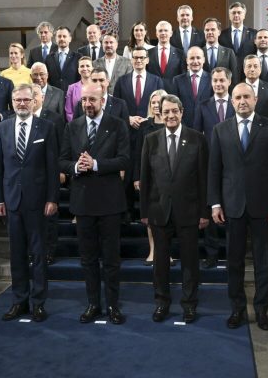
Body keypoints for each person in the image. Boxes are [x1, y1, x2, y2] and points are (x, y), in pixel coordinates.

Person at [208, 83, 268, 330]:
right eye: (237, 97)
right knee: (234, 262)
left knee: (263, 261)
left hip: (264, 207)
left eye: (246, 97)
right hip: (232, 206)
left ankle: (262, 311)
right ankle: (237, 310)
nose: (242, 101)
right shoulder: (220, 130)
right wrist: (215, 203)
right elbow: (214, 170)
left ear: (256, 99)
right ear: (231, 101)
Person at [59, 83, 130, 325]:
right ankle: (93, 304)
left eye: (92, 100)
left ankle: (112, 305)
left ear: (102, 100)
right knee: (88, 259)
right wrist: (77, 167)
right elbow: (62, 160)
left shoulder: (117, 125)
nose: (88, 104)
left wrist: (97, 164)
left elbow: (124, 160)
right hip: (83, 202)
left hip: (110, 202)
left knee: (111, 259)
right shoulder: (72, 126)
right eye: (84, 100)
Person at [0, 83, 59, 322]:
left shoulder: (47, 128)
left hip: (39, 202)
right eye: (18, 100)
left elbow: (52, 167)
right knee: (16, 254)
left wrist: (52, 198)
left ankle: (38, 302)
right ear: (12, 102)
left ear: (34, 101)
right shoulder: (2, 128)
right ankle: (19, 301)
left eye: (26, 100)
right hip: (11, 202)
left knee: (39, 255)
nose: (22, 104)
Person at [139, 94, 209, 324]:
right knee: (160, 264)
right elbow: (145, 178)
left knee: (190, 263)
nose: (170, 115)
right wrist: (144, 212)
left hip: (189, 212)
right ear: (159, 112)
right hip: (159, 212)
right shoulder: (151, 139)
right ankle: (162, 303)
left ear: (182, 112)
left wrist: (203, 213)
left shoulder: (197, 139)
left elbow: (203, 179)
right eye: (165, 111)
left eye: (174, 111)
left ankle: (189, 305)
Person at [193, 67, 235, 269]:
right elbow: (196, 137)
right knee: (210, 208)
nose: (218, 84)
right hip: (209, 165)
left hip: (234, 165)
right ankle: (212, 254)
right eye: (215, 81)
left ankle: (231, 253)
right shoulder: (202, 105)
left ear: (229, 82)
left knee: (231, 208)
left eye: (221, 80)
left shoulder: (238, 104)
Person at [133, 89, 168, 266]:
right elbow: (138, 153)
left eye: (159, 101)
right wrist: (136, 177)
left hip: (169, 178)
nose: (156, 105)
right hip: (149, 177)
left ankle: (166, 252)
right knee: (151, 215)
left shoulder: (172, 123)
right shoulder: (145, 126)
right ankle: (153, 250)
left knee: (168, 215)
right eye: (153, 102)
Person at [32, 84, 65, 266]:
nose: (33, 98)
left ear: (43, 98)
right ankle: (34, 252)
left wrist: (60, 169)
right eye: (31, 95)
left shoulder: (55, 119)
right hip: (31, 178)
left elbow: (61, 147)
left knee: (50, 217)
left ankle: (49, 251)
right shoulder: (20, 119)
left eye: (36, 94)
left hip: (50, 175)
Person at [170, 46, 212, 128]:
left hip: (206, 128)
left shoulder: (212, 79)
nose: (195, 61)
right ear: (187, 60)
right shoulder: (177, 80)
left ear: (203, 59)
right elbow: (174, 106)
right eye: (192, 58)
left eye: (198, 58)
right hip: (184, 128)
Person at [147, 21, 185, 92]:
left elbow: (182, 76)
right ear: (156, 34)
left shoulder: (180, 53)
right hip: (153, 94)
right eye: (160, 31)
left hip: (173, 94)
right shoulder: (148, 53)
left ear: (171, 33)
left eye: (166, 30)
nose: (163, 33)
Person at [219, 2, 257, 70]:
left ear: (244, 15)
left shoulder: (254, 34)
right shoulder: (221, 35)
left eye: (239, 12)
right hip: (227, 73)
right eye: (233, 13)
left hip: (247, 73)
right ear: (229, 16)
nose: (236, 15)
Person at [202, 17, 240, 86]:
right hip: (204, 95)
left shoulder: (229, 53)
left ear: (219, 32)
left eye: (213, 29)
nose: (210, 32)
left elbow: (234, 78)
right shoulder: (199, 53)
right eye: (207, 30)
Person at [45, 26, 80, 93]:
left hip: (72, 96)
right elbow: (47, 78)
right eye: (59, 36)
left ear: (70, 39)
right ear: (55, 39)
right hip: (54, 97)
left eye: (64, 36)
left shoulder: (78, 57)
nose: (62, 39)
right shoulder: (49, 58)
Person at [65, 56, 93, 122]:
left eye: (88, 66)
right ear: (78, 70)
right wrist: (76, 125)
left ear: (92, 68)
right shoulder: (71, 88)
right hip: (77, 126)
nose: (85, 68)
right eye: (82, 66)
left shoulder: (98, 86)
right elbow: (69, 111)